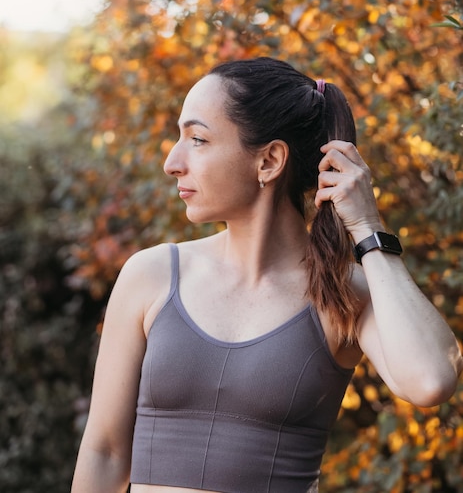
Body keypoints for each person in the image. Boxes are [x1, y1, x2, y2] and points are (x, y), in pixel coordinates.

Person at [71, 57, 462, 493]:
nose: (172, 162)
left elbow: (431, 380)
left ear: (270, 160)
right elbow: (104, 453)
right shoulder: (151, 275)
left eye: (197, 139)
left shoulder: (341, 293)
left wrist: (367, 230)